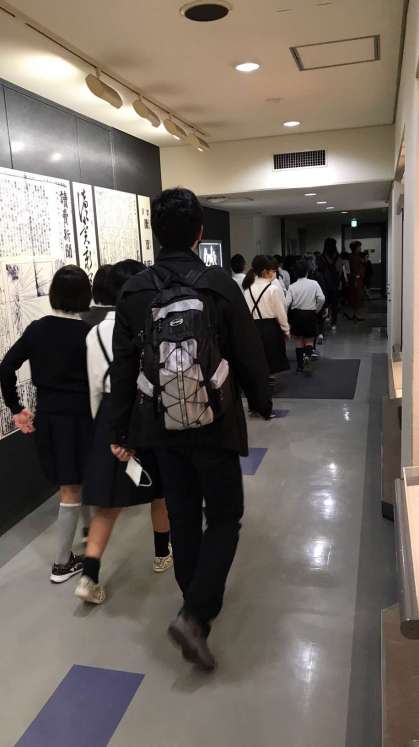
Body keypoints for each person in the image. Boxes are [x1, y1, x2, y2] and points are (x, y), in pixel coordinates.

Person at [110, 188, 272, 671]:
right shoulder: (218, 284)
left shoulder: (134, 291)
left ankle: (191, 603)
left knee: (181, 515)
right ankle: (196, 614)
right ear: (200, 232)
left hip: (160, 426)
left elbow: (122, 369)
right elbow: (247, 350)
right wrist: (261, 400)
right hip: (216, 422)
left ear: (156, 233)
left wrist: (120, 431)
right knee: (224, 516)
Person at [76, 259, 173, 605]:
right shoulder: (149, 321)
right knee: (159, 491)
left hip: (110, 413)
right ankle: (162, 555)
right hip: (146, 410)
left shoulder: (94, 333)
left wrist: (103, 425)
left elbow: (94, 386)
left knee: (108, 502)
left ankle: (89, 576)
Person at [0, 265, 93, 583]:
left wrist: (16, 408)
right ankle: (62, 563)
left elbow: (6, 367)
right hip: (80, 418)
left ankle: (88, 530)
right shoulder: (88, 334)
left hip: (49, 418)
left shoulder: (37, 329)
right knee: (71, 486)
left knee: (73, 481)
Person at [243, 255, 290, 375]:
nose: (274, 273)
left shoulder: (248, 289)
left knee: (259, 360)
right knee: (272, 361)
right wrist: (286, 330)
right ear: (265, 272)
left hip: (253, 328)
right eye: (272, 270)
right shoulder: (272, 289)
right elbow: (280, 313)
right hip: (271, 329)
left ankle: (262, 381)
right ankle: (270, 381)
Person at [286, 260, 325, 373]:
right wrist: (317, 309)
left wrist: (286, 317)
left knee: (298, 341)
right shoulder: (314, 283)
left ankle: (299, 366)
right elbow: (322, 298)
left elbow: (286, 303)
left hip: (297, 315)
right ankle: (307, 363)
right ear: (308, 271)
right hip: (310, 314)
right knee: (309, 341)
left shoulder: (292, 287)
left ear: (295, 273)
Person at [317, 238, 340, 331]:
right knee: (334, 304)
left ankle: (323, 324)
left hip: (324, 283)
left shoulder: (321, 257)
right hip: (334, 283)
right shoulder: (337, 256)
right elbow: (339, 270)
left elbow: (319, 270)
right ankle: (333, 323)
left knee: (324, 304)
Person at [346, 240, 366, 321]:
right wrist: (356, 280)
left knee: (357, 297)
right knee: (356, 297)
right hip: (356, 280)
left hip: (358, 279)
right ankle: (356, 314)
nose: (360, 248)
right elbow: (354, 270)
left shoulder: (356, 256)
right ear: (356, 248)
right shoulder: (353, 257)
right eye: (359, 247)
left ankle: (355, 314)